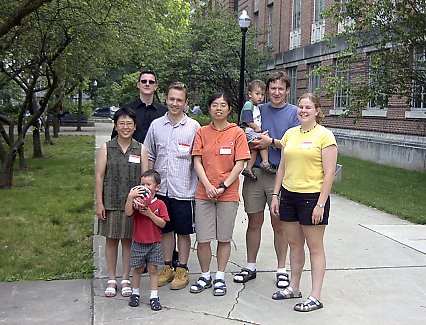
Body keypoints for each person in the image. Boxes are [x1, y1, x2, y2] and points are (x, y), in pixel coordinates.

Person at [270, 93, 338, 312]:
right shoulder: (290, 134)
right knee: (294, 243)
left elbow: (329, 174)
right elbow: (282, 167)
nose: (303, 110)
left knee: (315, 247)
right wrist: (275, 195)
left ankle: (315, 296)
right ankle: (294, 287)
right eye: (300, 106)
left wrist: (320, 204)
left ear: (317, 111)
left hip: (312, 197)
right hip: (289, 195)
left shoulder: (325, 136)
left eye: (308, 107)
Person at [234, 71, 300, 289]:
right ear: (266, 90)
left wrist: (271, 142)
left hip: (279, 174)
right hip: (255, 174)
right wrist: (255, 144)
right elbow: (245, 135)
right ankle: (250, 265)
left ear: (287, 91)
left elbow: (295, 145)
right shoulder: (257, 109)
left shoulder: (293, 114)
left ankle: (281, 269)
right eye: (272, 88)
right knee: (254, 222)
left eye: (281, 89)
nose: (276, 92)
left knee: (279, 224)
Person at [190, 92, 250, 296]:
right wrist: (207, 185)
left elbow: (240, 163)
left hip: (228, 194)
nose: (218, 108)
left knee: (224, 238)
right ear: (209, 108)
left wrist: (223, 186)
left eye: (223, 105)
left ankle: (220, 276)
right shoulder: (202, 132)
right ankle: (205, 275)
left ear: (229, 109)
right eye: (215, 105)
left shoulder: (237, 133)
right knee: (203, 238)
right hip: (203, 193)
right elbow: (197, 160)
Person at [144, 82, 200, 290]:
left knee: (183, 231)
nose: (174, 103)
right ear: (166, 100)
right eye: (171, 99)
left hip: (184, 189)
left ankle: (182, 268)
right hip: (161, 190)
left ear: (186, 103)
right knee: (165, 230)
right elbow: (150, 155)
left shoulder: (194, 127)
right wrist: (149, 187)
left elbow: (198, 159)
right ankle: (167, 267)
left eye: (179, 100)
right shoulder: (156, 126)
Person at [95, 107, 148, 298]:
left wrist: (143, 202)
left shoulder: (141, 149)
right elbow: (100, 176)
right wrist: (99, 203)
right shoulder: (106, 148)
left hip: (131, 204)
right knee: (111, 240)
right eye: (121, 123)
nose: (125, 127)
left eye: (129, 124)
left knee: (128, 241)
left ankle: (125, 278)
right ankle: (111, 278)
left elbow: (145, 178)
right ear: (116, 126)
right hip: (110, 201)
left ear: (135, 127)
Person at [125, 169, 170, 311]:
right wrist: (130, 197)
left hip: (155, 242)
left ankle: (154, 296)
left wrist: (150, 214)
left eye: (148, 184)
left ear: (157, 187)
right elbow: (128, 213)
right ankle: (135, 293)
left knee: (153, 269)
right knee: (137, 269)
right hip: (138, 241)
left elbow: (162, 223)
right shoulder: (136, 201)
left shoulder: (160, 204)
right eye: (142, 183)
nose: (144, 187)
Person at [111, 70, 167, 143]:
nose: (147, 84)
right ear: (138, 85)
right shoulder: (126, 110)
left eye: (151, 82)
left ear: (156, 86)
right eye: (144, 81)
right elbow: (115, 137)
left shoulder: (164, 112)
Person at [239, 79, 275, 181]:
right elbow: (246, 119)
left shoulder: (256, 106)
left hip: (252, 130)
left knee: (255, 149)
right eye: (257, 94)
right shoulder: (248, 105)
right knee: (263, 141)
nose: (260, 97)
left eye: (262, 95)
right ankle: (265, 163)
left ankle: (248, 169)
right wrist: (256, 128)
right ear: (250, 94)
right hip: (248, 130)